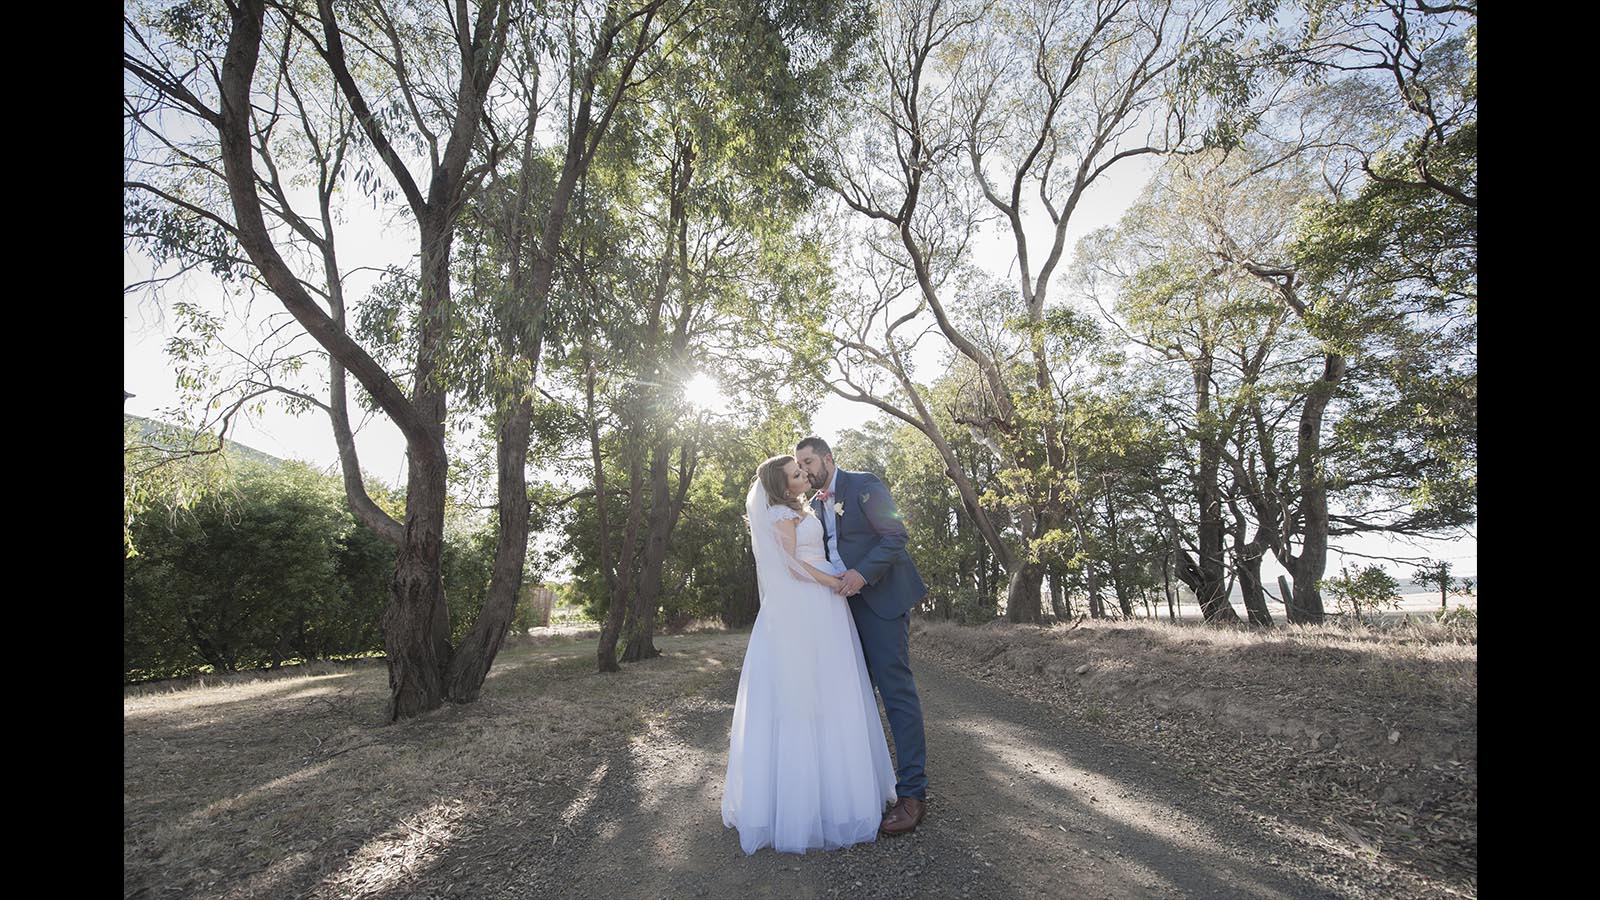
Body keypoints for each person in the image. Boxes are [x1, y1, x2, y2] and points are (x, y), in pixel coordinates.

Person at [721, 454, 897, 855]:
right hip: (806, 601)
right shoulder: (783, 515)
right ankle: (802, 805)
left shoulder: (804, 507)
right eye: (796, 474)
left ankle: (833, 792)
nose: (805, 475)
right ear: (784, 487)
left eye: (803, 470)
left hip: (823, 604)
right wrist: (830, 580)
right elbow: (792, 564)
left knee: (831, 689)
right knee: (802, 692)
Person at [795, 436, 929, 836]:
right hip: (841, 610)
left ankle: (913, 795)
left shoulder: (865, 484)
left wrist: (862, 574)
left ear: (828, 458)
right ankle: (864, 789)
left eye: (808, 461)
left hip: (882, 602)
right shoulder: (816, 504)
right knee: (852, 699)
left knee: (896, 695)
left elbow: (896, 536)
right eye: (799, 465)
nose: (803, 470)